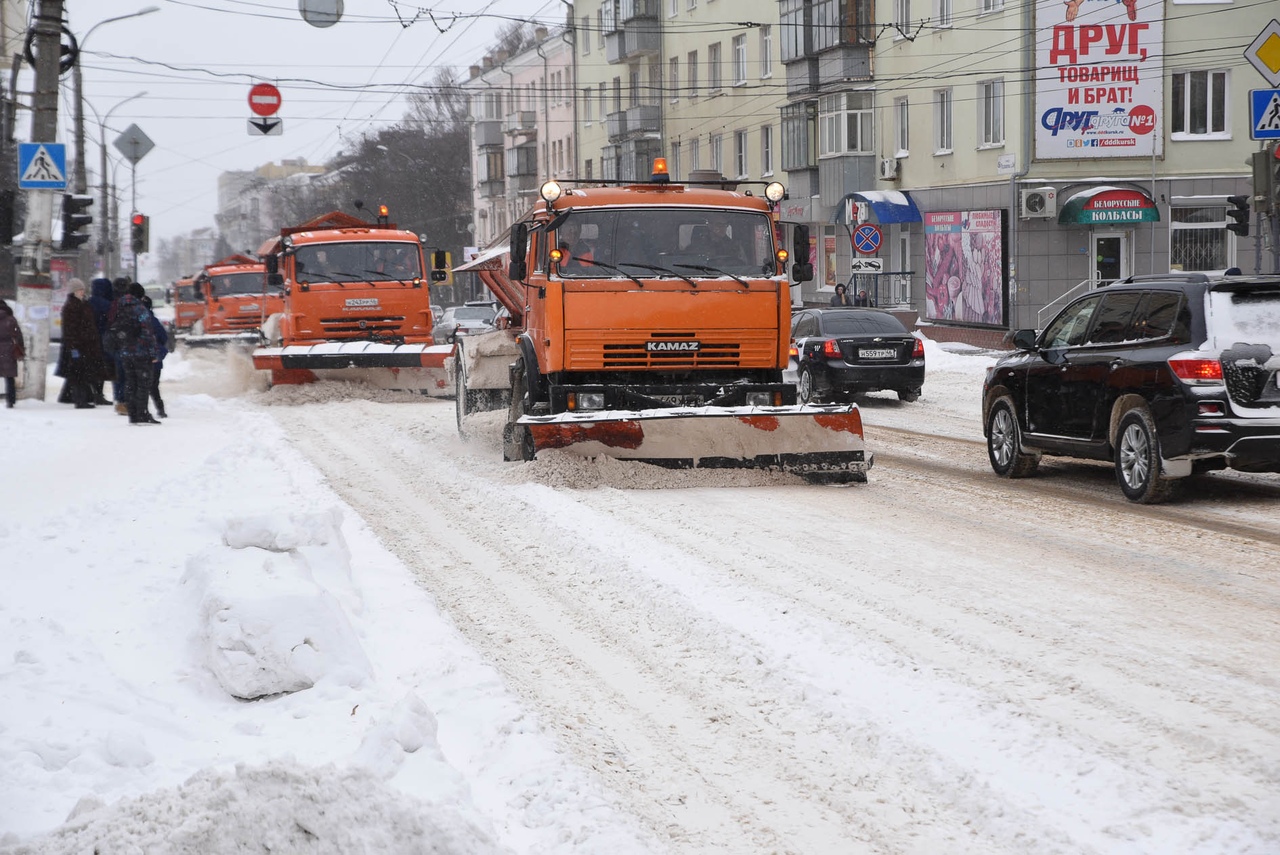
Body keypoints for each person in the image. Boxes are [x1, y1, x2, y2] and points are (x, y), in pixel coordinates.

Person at [54, 279, 110, 409]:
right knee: (78, 374)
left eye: (83, 289)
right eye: (79, 290)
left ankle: (84, 398)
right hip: (79, 346)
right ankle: (80, 400)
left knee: (84, 373)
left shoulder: (83, 304)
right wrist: (73, 347)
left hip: (88, 345)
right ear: (73, 292)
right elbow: (70, 329)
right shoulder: (71, 306)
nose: (82, 292)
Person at [115, 283, 161, 425]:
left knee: (130, 382)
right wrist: (153, 353)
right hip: (141, 352)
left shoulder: (120, 307)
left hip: (125, 352)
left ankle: (133, 414)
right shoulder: (140, 309)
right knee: (143, 384)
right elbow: (147, 333)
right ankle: (143, 413)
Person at [87, 277, 115, 404]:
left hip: (90, 340)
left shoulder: (88, 302)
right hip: (103, 339)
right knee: (103, 367)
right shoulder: (107, 304)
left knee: (92, 366)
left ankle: (93, 392)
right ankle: (98, 393)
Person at [141, 295, 169, 418]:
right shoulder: (153, 320)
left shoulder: (136, 318)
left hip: (141, 357)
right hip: (155, 359)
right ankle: (160, 409)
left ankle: (142, 410)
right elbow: (164, 337)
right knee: (153, 386)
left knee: (141, 386)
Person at [0, 299, 24, 408]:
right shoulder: (11, 319)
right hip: (8, 350)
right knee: (9, 377)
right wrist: (21, 349)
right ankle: (11, 400)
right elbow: (18, 335)